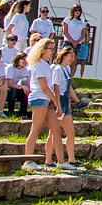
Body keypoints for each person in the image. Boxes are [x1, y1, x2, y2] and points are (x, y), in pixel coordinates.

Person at [22, 38, 65, 169]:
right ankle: (28, 161)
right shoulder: (38, 65)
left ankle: (61, 161)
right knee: (36, 128)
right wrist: (55, 100)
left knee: (56, 129)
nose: (52, 51)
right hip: (39, 98)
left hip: (47, 99)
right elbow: (44, 87)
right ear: (42, 49)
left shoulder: (45, 64)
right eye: (50, 49)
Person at [61, 4, 90, 79]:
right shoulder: (67, 20)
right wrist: (72, 41)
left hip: (77, 44)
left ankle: (70, 77)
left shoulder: (82, 22)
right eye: (76, 10)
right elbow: (65, 31)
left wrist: (77, 42)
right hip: (68, 42)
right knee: (64, 60)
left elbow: (83, 34)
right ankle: (62, 75)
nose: (77, 12)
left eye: (79, 10)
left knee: (73, 62)